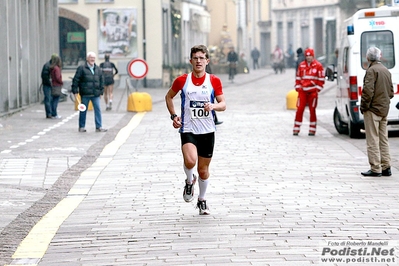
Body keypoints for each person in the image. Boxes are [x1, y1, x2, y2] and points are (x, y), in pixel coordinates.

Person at [165, 44, 226, 215]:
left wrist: (213, 106)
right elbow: (169, 96)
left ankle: (202, 200)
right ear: (190, 61)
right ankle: (189, 180)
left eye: (202, 58)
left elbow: (223, 105)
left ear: (207, 61)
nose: (198, 61)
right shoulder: (182, 80)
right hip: (188, 128)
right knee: (190, 161)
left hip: (207, 131)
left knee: (203, 170)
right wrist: (173, 115)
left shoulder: (214, 80)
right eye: (195, 58)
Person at [360, 47, 394, 177]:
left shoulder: (371, 71)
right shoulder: (386, 70)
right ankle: (386, 166)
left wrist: (364, 106)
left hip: (372, 110)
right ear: (380, 56)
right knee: (383, 139)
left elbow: (368, 91)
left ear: (368, 58)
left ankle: (375, 168)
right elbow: (391, 92)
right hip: (384, 110)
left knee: (372, 139)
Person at [71, 51, 107, 133]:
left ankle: (99, 126)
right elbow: (76, 80)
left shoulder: (98, 69)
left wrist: (101, 92)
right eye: (91, 58)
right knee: (83, 110)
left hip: (96, 94)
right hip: (85, 94)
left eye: (94, 58)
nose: (92, 59)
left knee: (98, 109)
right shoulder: (81, 68)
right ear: (87, 59)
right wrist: (75, 90)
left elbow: (102, 80)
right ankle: (81, 126)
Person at [293, 48, 324, 136]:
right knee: (299, 109)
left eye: (310, 56)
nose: (308, 58)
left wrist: (317, 89)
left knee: (312, 110)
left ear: (313, 56)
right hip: (302, 91)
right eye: (307, 56)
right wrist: (298, 87)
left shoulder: (318, 66)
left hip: (312, 92)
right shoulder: (301, 65)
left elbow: (321, 80)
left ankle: (312, 130)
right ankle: (296, 128)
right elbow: (298, 77)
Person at [41, 54, 57, 119]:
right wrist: (49, 83)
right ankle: (49, 113)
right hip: (47, 85)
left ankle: (51, 113)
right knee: (48, 99)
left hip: (49, 84)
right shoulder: (48, 66)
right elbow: (44, 76)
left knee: (50, 99)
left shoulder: (49, 65)